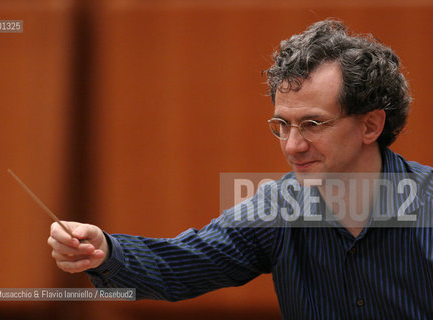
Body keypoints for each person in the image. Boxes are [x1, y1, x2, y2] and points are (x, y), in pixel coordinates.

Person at [48, 19, 433, 319]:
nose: (293, 146)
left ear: (370, 125)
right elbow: (179, 265)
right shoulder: (278, 209)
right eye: (282, 125)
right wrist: (106, 251)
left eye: (313, 124)